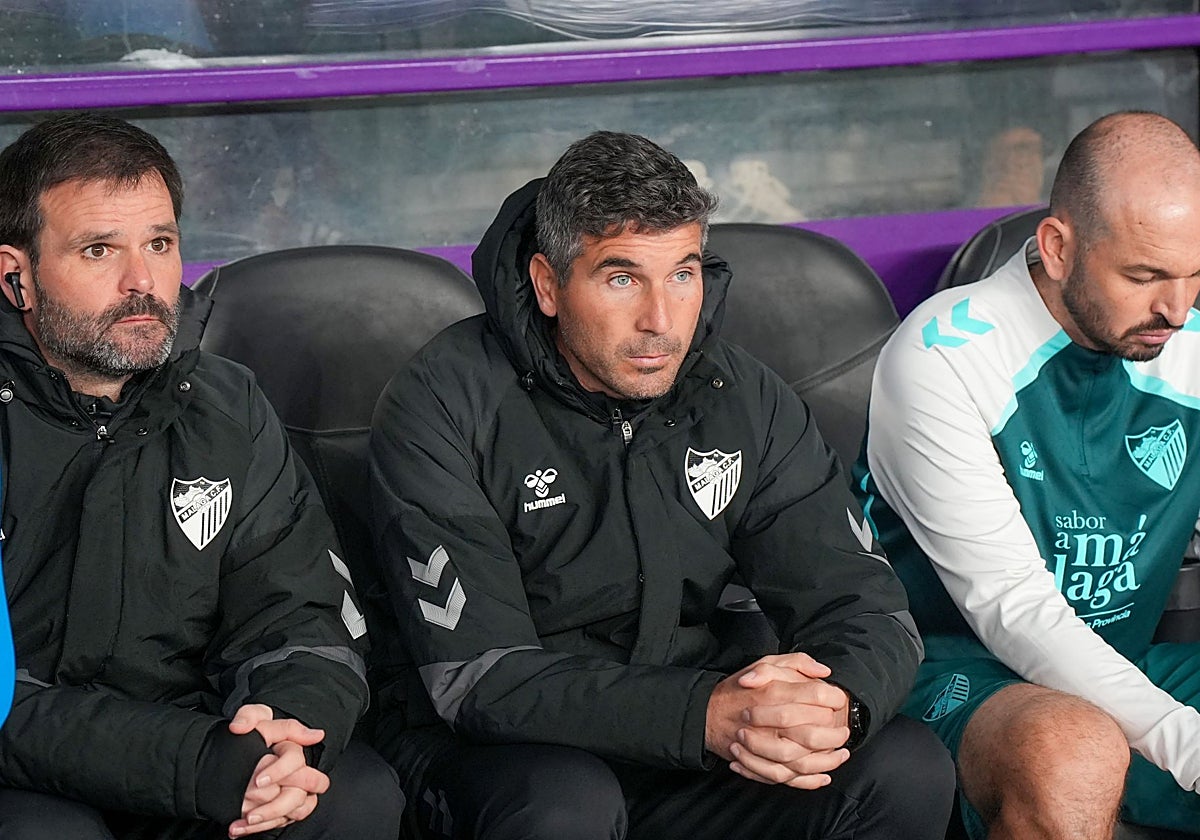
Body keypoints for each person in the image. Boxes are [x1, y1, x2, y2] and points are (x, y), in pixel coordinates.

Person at [369, 130, 955, 840]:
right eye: (622, 278)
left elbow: (866, 606)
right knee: (565, 806)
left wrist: (835, 709)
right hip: (510, 757)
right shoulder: (445, 400)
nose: (661, 320)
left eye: (682, 273)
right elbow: (480, 677)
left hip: (700, 739)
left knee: (901, 765)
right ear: (548, 285)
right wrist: (703, 714)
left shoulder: (741, 393)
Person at [0, 112, 404, 839]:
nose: (142, 281)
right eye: (98, 250)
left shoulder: (227, 402)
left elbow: (299, 614)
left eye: (160, 243)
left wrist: (287, 728)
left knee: (349, 797)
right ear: (15, 277)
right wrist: (199, 764)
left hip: (201, 749)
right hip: (28, 767)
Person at [854, 110, 1200, 838]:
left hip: (1126, 664)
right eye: (1143, 276)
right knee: (1072, 749)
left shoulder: (1185, 337)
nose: (1175, 307)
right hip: (953, 676)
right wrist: (1186, 744)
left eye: (1194, 274)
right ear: (1057, 247)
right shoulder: (944, 354)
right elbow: (1013, 607)